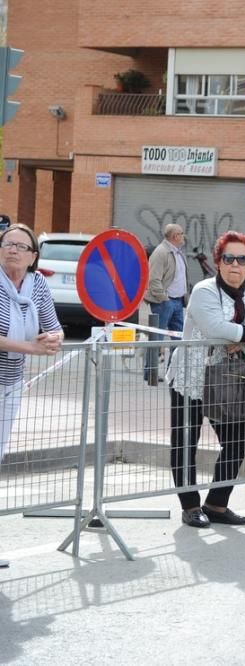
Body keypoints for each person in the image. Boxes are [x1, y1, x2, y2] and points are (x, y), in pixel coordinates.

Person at [166, 232, 245, 528]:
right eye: (228, 258)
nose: (235, 265)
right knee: (185, 443)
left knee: (239, 438)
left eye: (242, 259)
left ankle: (217, 503)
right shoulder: (204, 290)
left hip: (229, 377)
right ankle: (190, 506)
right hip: (191, 379)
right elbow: (213, 327)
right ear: (218, 262)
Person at [0, 224, 64, 567]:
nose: (12, 249)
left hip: (10, 382)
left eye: (21, 246)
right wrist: (31, 347)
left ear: (33, 256)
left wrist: (52, 340)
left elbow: (53, 326)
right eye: (7, 243)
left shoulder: (37, 284)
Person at [143, 224, 188, 381]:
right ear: (175, 236)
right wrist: (165, 299)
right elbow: (153, 280)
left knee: (179, 339)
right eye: (182, 234)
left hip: (177, 302)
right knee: (157, 339)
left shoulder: (177, 253)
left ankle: (172, 373)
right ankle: (150, 373)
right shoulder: (161, 253)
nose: (184, 236)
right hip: (164, 302)